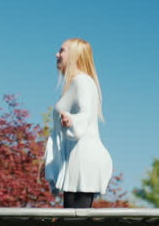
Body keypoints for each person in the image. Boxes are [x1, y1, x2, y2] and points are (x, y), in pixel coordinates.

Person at [44, 38, 112, 208]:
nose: (57, 54)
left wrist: (71, 120)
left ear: (74, 55)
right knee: (72, 218)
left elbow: (85, 113)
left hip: (84, 162)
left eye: (62, 50)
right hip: (75, 161)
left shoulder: (83, 81)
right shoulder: (73, 84)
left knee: (75, 219)